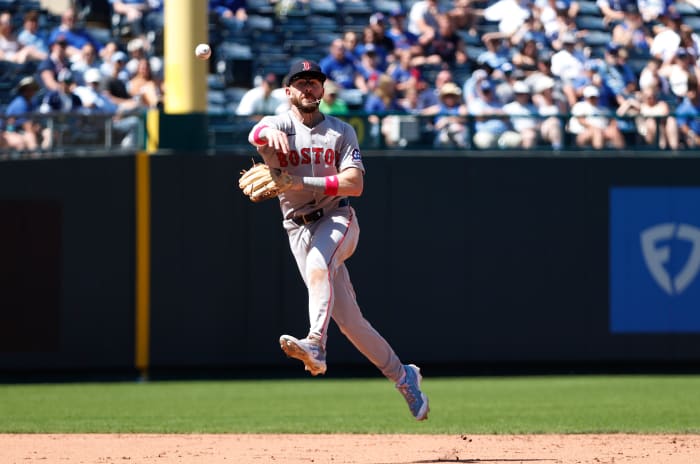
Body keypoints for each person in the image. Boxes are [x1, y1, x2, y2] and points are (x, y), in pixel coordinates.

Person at [246, 60, 429, 421]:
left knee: (319, 264)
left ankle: (315, 343)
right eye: (301, 83)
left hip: (337, 218)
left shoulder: (341, 131)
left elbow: (355, 185)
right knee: (351, 322)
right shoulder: (279, 124)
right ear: (288, 92)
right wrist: (266, 132)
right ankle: (403, 376)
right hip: (297, 229)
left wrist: (300, 183)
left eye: (315, 82)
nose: (309, 89)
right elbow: (255, 134)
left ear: (323, 90)